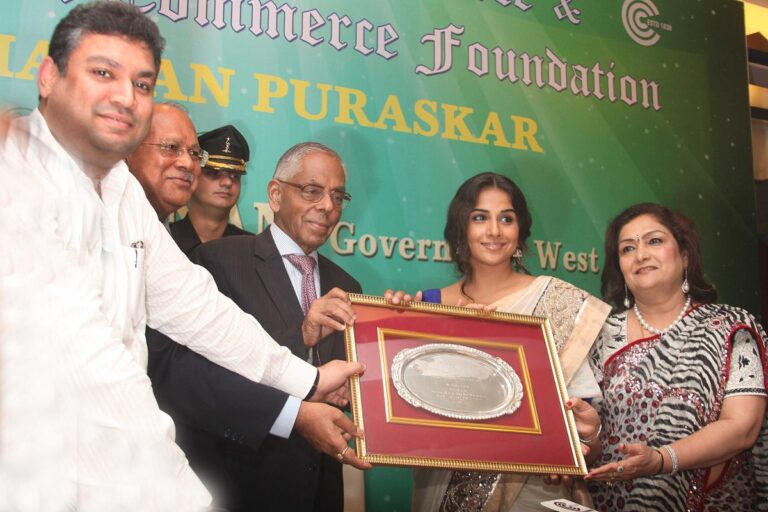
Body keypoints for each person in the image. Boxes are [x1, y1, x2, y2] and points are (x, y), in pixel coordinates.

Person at [0, 2, 361, 508]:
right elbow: (98, 373)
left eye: (143, 84)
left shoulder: (121, 188)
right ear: (48, 77)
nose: (125, 96)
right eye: (103, 72)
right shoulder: (14, 178)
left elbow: (199, 311)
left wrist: (310, 378)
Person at [148, 142, 368, 511]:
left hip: (320, 491)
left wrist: (392, 326)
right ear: (276, 194)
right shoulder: (216, 261)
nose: (328, 207)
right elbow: (199, 378)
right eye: (312, 191)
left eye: (337, 196)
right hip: (240, 484)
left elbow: (355, 390)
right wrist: (301, 335)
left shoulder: (350, 288)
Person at [410, 172, 611, 511]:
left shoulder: (557, 301)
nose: (494, 231)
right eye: (479, 218)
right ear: (461, 229)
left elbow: (586, 431)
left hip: (532, 492)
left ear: (520, 232)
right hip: (442, 485)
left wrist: (580, 446)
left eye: (506, 218)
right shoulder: (429, 304)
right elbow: (411, 413)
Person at [572, 203, 768, 511]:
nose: (640, 255)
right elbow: (589, 443)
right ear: (620, 266)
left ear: (685, 255)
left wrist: (662, 460)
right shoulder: (598, 335)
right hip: (609, 501)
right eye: (627, 248)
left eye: (654, 241)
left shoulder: (730, 327)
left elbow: (743, 426)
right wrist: (588, 437)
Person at [170, 124, 253, 254]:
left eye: (235, 176)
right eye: (214, 174)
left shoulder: (251, 249)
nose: (227, 182)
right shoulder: (164, 239)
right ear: (193, 177)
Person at [125, 102, 203, 222]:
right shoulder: (98, 224)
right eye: (171, 147)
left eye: (194, 153)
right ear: (128, 151)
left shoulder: (160, 231)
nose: (188, 164)